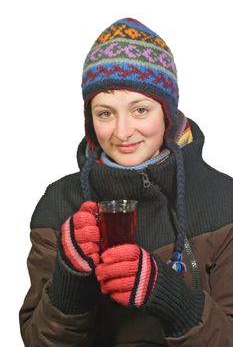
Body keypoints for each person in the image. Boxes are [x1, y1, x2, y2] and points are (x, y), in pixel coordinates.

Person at [19, 18, 233, 347]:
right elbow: (39, 342)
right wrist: (70, 280)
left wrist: (174, 300)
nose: (122, 132)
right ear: (90, 120)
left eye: (140, 110)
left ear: (167, 113)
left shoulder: (223, 200)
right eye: (105, 113)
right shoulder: (59, 203)